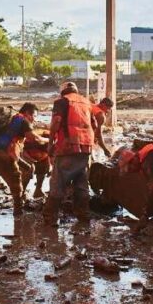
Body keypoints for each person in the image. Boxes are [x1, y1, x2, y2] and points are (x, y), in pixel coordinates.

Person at [0, 102, 46, 216]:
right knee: (15, 179)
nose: (34, 120)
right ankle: (18, 212)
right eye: (34, 116)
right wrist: (48, 140)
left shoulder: (9, 119)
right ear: (28, 113)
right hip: (1, 152)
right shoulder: (23, 121)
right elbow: (35, 139)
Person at [44, 82, 96, 225]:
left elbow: (56, 122)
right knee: (82, 184)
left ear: (63, 92)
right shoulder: (86, 102)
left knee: (58, 183)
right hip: (86, 148)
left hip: (67, 147)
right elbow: (95, 125)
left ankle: (51, 218)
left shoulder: (62, 102)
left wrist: (50, 144)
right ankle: (84, 217)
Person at [20, 128, 51, 199]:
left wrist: (50, 167)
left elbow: (52, 155)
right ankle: (22, 192)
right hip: (27, 157)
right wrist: (30, 160)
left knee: (44, 169)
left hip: (43, 159)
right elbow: (22, 151)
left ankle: (38, 190)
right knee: (27, 172)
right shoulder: (29, 141)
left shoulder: (51, 143)